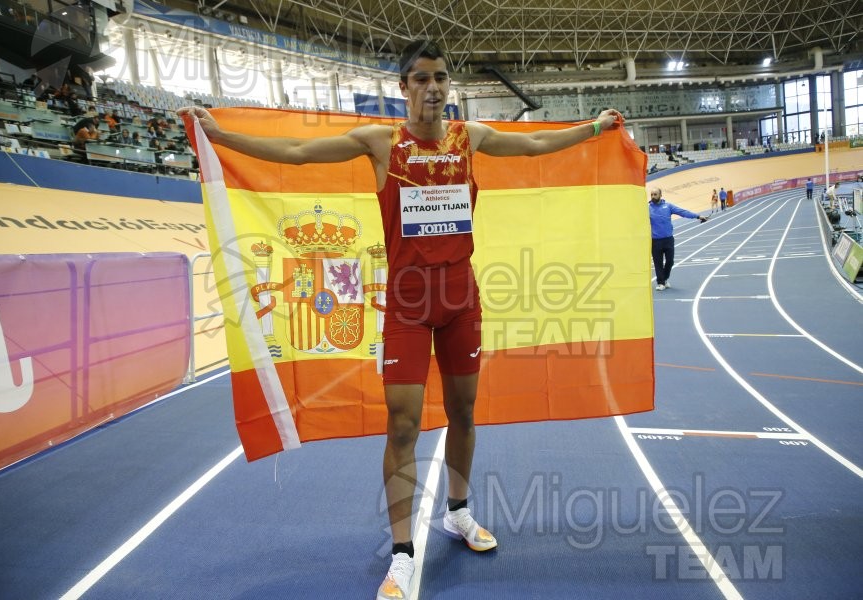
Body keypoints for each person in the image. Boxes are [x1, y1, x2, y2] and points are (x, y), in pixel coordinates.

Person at [178, 39, 623, 600]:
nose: (433, 88)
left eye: (441, 77)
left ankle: (458, 513)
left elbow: (534, 143)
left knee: (463, 411)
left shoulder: (471, 138)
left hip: (462, 300)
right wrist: (218, 135)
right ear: (404, 87)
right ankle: (403, 553)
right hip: (409, 306)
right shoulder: (381, 142)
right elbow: (294, 153)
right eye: (421, 79)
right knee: (403, 424)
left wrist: (593, 129)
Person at [649, 188, 707, 291]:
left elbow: (682, 212)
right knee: (658, 263)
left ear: (660, 195)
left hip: (668, 240)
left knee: (670, 262)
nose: (653, 196)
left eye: (655, 194)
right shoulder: (648, 208)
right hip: (655, 241)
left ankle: (665, 278)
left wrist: (698, 216)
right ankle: (661, 282)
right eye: (652, 194)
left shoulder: (668, 206)